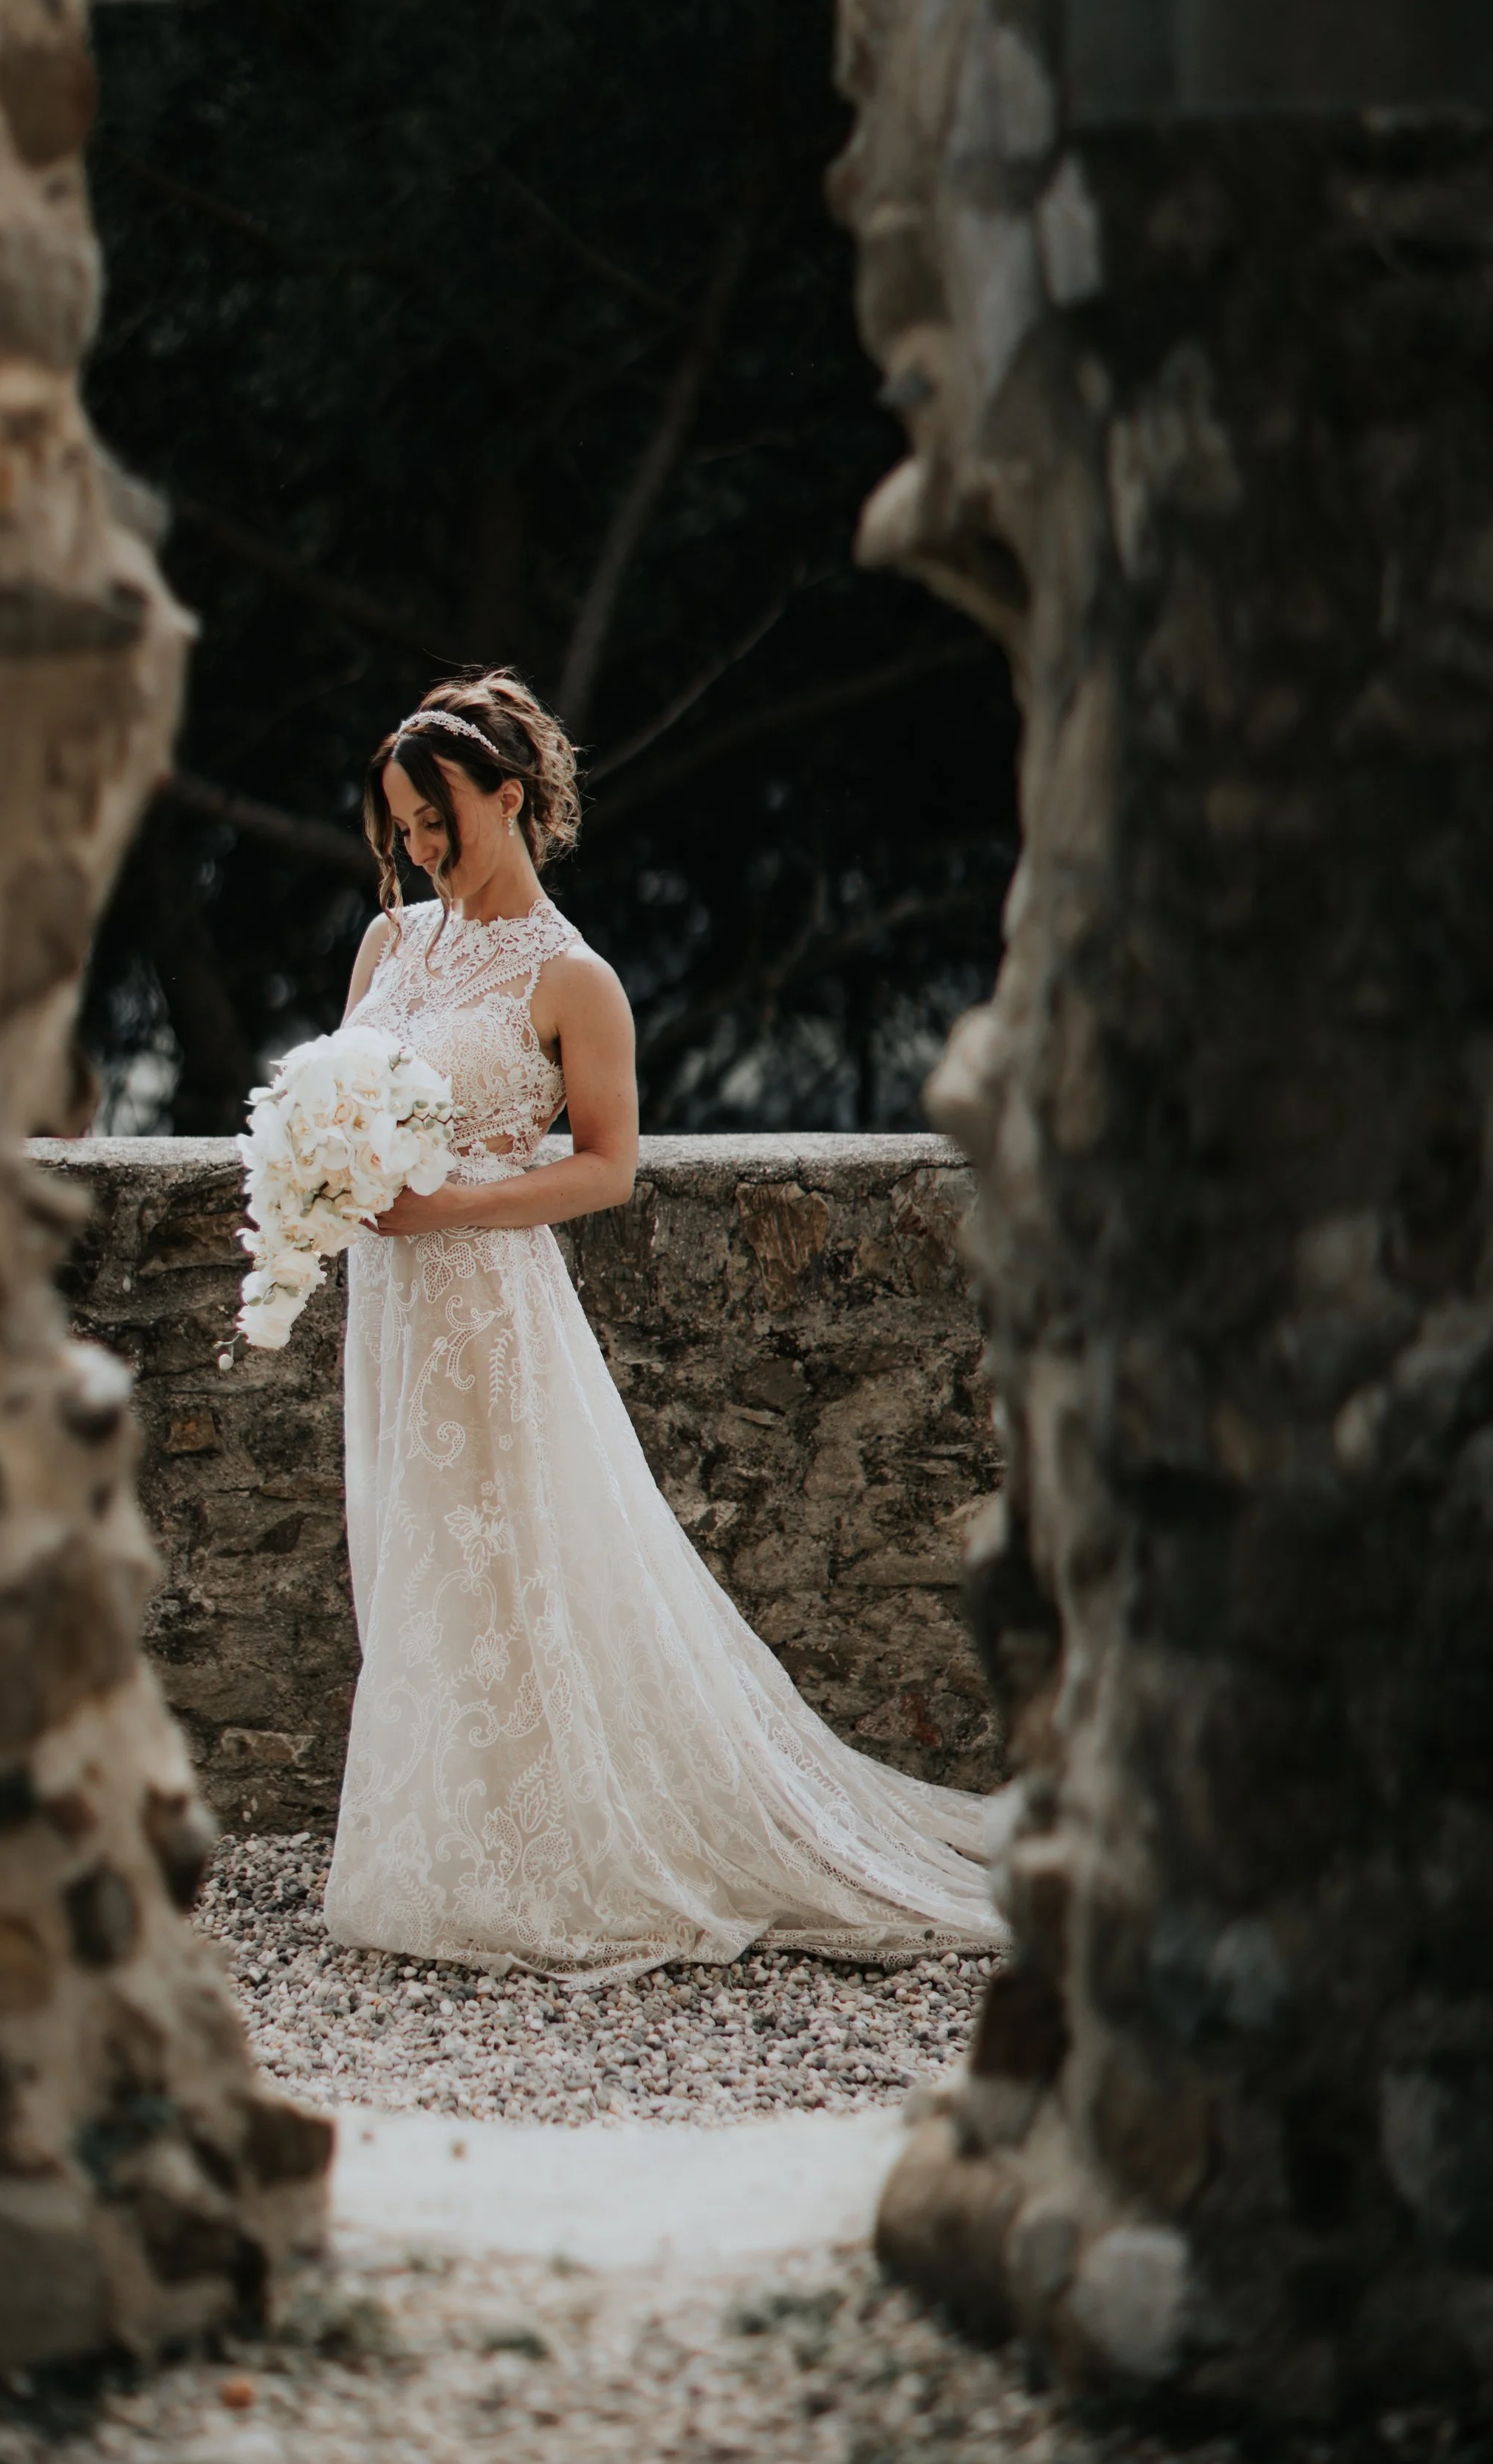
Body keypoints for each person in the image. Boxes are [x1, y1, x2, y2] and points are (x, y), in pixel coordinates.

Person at [323, 669, 1004, 1981]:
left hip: (488, 1301)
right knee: (414, 1550)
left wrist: (456, 1199)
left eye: (436, 820)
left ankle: (553, 1851)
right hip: (394, 1305)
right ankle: (436, 1843)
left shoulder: (576, 978)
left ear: (508, 799)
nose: (418, 850)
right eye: (401, 826)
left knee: (518, 1562)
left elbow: (609, 1166)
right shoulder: (390, 944)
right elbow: (345, 1089)